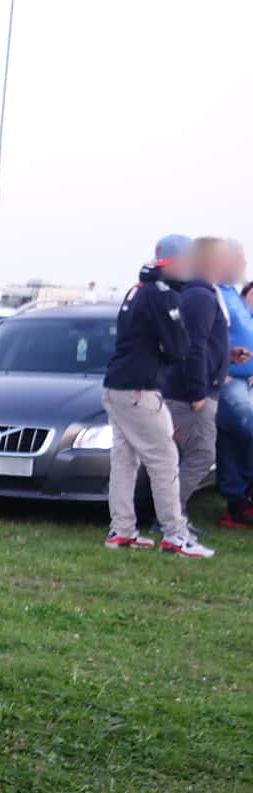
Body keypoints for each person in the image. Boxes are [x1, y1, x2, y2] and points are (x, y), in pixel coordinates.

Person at [101, 235, 208, 557]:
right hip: (140, 390)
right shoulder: (163, 295)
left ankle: (121, 530)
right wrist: (168, 350)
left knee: (124, 461)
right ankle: (175, 535)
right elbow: (179, 348)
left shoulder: (137, 289)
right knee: (164, 460)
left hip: (118, 386)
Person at [159, 236, 231, 525]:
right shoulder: (200, 296)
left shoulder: (205, 293)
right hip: (192, 397)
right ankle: (170, 517)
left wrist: (227, 354)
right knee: (202, 455)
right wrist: (198, 393)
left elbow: (205, 342)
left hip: (197, 391)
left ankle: (172, 516)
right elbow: (193, 347)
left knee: (190, 456)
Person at [214, 240, 253, 528]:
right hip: (228, 383)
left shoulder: (231, 296)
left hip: (243, 382)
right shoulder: (214, 293)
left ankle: (237, 505)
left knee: (232, 444)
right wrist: (219, 368)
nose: (243, 265)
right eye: (239, 260)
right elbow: (205, 337)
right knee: (241, 435)